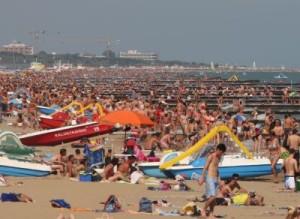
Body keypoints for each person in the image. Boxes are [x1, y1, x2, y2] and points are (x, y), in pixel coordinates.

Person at [198, 143, 226, 217]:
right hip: (209, 178)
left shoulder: (219, 158)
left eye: (222, 153)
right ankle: (203, 209)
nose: (222, 154)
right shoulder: (211, 156)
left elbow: (217, 169)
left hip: (215, 179)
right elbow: (205, 167)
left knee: (213, 199)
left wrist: (219, 179)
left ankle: (211, 213)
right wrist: (202, 177)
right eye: (221, 152)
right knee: (212, 196)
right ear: (218, 150)